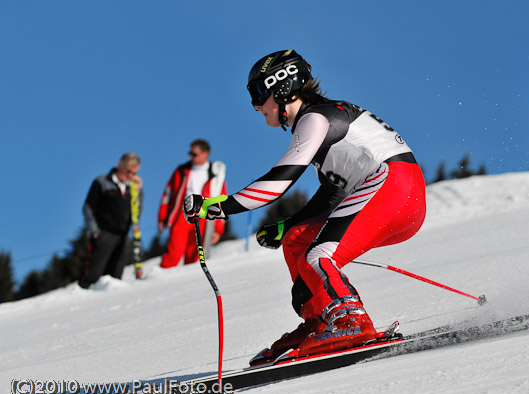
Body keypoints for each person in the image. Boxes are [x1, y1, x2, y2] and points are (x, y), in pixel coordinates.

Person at [183, 50, 426, 360]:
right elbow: (333, 193)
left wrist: (216, 207)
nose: (256, 106)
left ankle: (351, 320)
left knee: (318, 255)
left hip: (394, 186)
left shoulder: (314, 118)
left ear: (281, 86)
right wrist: (287, 225)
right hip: (399, 195)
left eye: (258, 93)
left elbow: (280, 179)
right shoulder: (323, 118)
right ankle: (320, 319)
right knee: (296, 240)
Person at [158, 139, 227, 268]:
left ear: (205, 154)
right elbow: (167, 195)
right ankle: (159, 280)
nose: (191, 157)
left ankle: (189, 283)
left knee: (195, 255)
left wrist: (218, 229)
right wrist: (162, 217)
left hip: (203, 216)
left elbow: (220, 201)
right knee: (173, 252)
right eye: (190, 153)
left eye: (194, 154)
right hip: (182, 216)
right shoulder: (181, 171)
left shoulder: (215, 175)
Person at [80, 153, 143, 288]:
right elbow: (88, 207)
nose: (131, 175)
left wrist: (139, 191)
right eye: (129, 171)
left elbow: (137, 212)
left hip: (123, 235)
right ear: (120, 164)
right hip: (104, 233)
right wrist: (95, 231)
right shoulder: (102, 182)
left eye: (134, 173)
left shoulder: (132, 187)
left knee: (116, 274)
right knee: (95, 272)